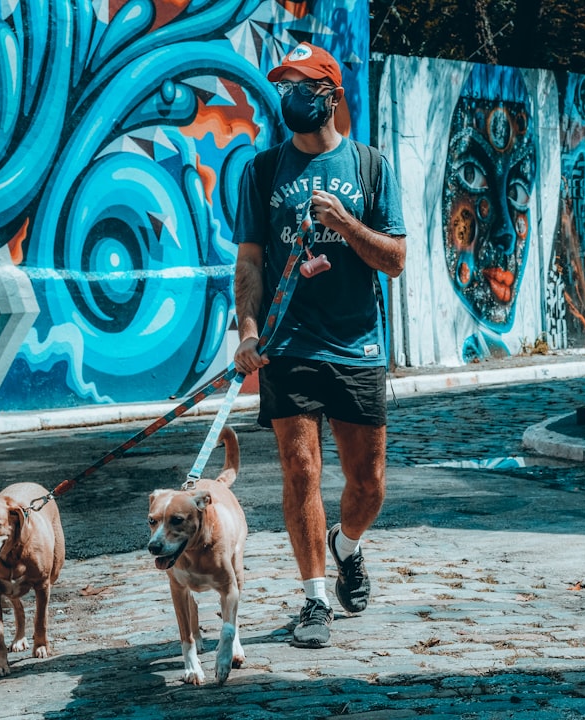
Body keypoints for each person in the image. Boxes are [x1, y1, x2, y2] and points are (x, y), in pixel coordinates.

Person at [231, 42, 407, 649]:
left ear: (330, 95)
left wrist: (345, 225)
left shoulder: (371, 167)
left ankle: (346, 545)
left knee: (370, 484)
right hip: (289, 345)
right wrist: (248, 333)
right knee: (300, 469)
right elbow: (250, 262)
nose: (290, 98)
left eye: (302, 86)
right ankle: (312, 600)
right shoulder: (261, 171)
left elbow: (396, 258)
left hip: (357, 345)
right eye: (284, 87)